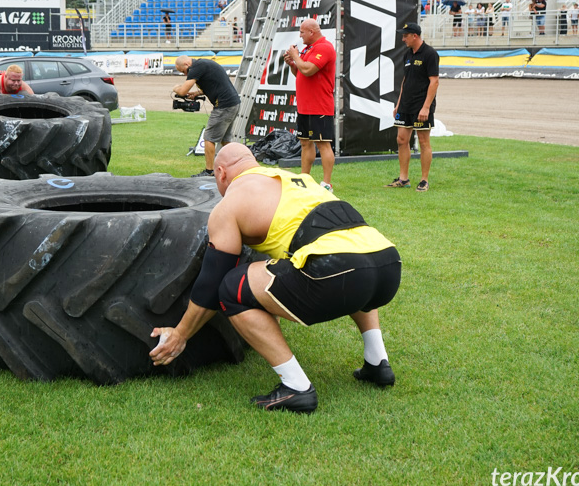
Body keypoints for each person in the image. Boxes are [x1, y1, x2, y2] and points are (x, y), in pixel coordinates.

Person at [149, 142, 401, 413]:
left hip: (337, 271)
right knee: (350, 257)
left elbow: (211, 283)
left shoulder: (230, 204)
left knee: (232, 287)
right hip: (387, 263)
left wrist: (181, 334)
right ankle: (378, 362)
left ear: (220, 173)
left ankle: (296, 387)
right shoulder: (297, 179)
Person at [283, 18, 336, 192]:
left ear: (312, 32)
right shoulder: (309, 49)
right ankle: (305, 178)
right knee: (305, 143)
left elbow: (308, 69)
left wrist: (296, 56)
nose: (300, 35)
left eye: (302, 32)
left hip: (320, 105)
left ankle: (327, 183)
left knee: (323, 144)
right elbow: (299, 72)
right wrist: (292, 63)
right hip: (304, 105)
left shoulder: (325, 48)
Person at [386, 23, 438, 192]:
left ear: (414, 36)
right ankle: (403, 179)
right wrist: (399, 103)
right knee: (401, 140)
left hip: (421, 105)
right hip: (405, 105)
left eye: (405, 36)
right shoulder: (407, 54)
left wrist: (426, 108)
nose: (403, 39)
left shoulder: (430, 54)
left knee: (423, 141)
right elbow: (405, 81)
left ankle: (424, 180)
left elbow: (434, 81)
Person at [173, 55, 241, 177]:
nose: (184, 75)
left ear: (186, 65)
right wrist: (196, 93)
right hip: (233, 103)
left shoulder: (196, 68)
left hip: (224, 105)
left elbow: (182, 91)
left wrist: (176, 88)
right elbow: (213, 83)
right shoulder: (203, 64)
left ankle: (209, 171)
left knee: (209, 138)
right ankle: (234, 167)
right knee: (225, 140)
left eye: (183, 71)